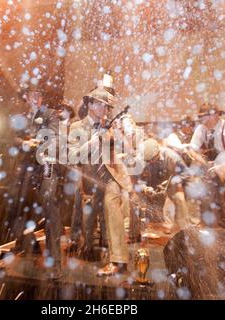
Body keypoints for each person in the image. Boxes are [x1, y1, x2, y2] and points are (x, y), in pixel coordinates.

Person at [68, 87, 133, 276]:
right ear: (89, 104)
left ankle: (119, 261)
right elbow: (72, 156)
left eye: (107, 106)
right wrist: (93, 142)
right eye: (100, 104)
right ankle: (88, 248)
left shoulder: (111, 127)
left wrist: (119, 134)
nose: (105, 109)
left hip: (111, 177)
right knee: (88, 220)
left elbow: (128, 151)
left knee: (111, 207)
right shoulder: (76, 127)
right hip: (90, 179)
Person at [9, 83, 63, 279]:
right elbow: (14, 139)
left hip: (46, 164)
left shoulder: (50, 114)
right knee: (17, 202)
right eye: (32, 94)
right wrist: (24, 143)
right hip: (27, 166)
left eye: (39, 95)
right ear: (26, 97)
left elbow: (53, 134)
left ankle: (55, 262)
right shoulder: (21, 118)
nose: (35, 98)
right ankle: (27, 244)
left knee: (49, 205)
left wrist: (37, 141)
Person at [138, 138, 191, 233]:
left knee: (178, 198)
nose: (151, 162)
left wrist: (174, 181)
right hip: (155, 187)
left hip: (173, 182)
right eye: (148, 160)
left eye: (153, 159)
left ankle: (185, 229)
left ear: (158, 152)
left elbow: (187, 173)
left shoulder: (172, 157)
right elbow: (140, 181)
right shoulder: (144, 160)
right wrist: (145, 188)